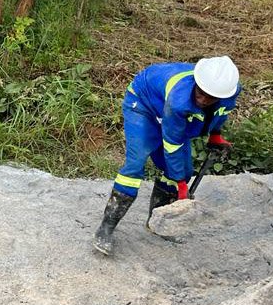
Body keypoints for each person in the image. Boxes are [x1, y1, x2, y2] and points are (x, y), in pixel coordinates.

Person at [93, 55, 241, 256]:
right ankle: (106, 228)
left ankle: (156, 222)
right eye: (201, 92)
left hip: (168, 110)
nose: (203, 99)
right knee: (134, 167)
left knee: (185, 170)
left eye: (211, 97)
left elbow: (219, 113)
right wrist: (181, 186)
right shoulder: (179, 99)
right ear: (196, 82)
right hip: (143, 104)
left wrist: (215, 135)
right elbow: (172, 145)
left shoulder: (228, 91)